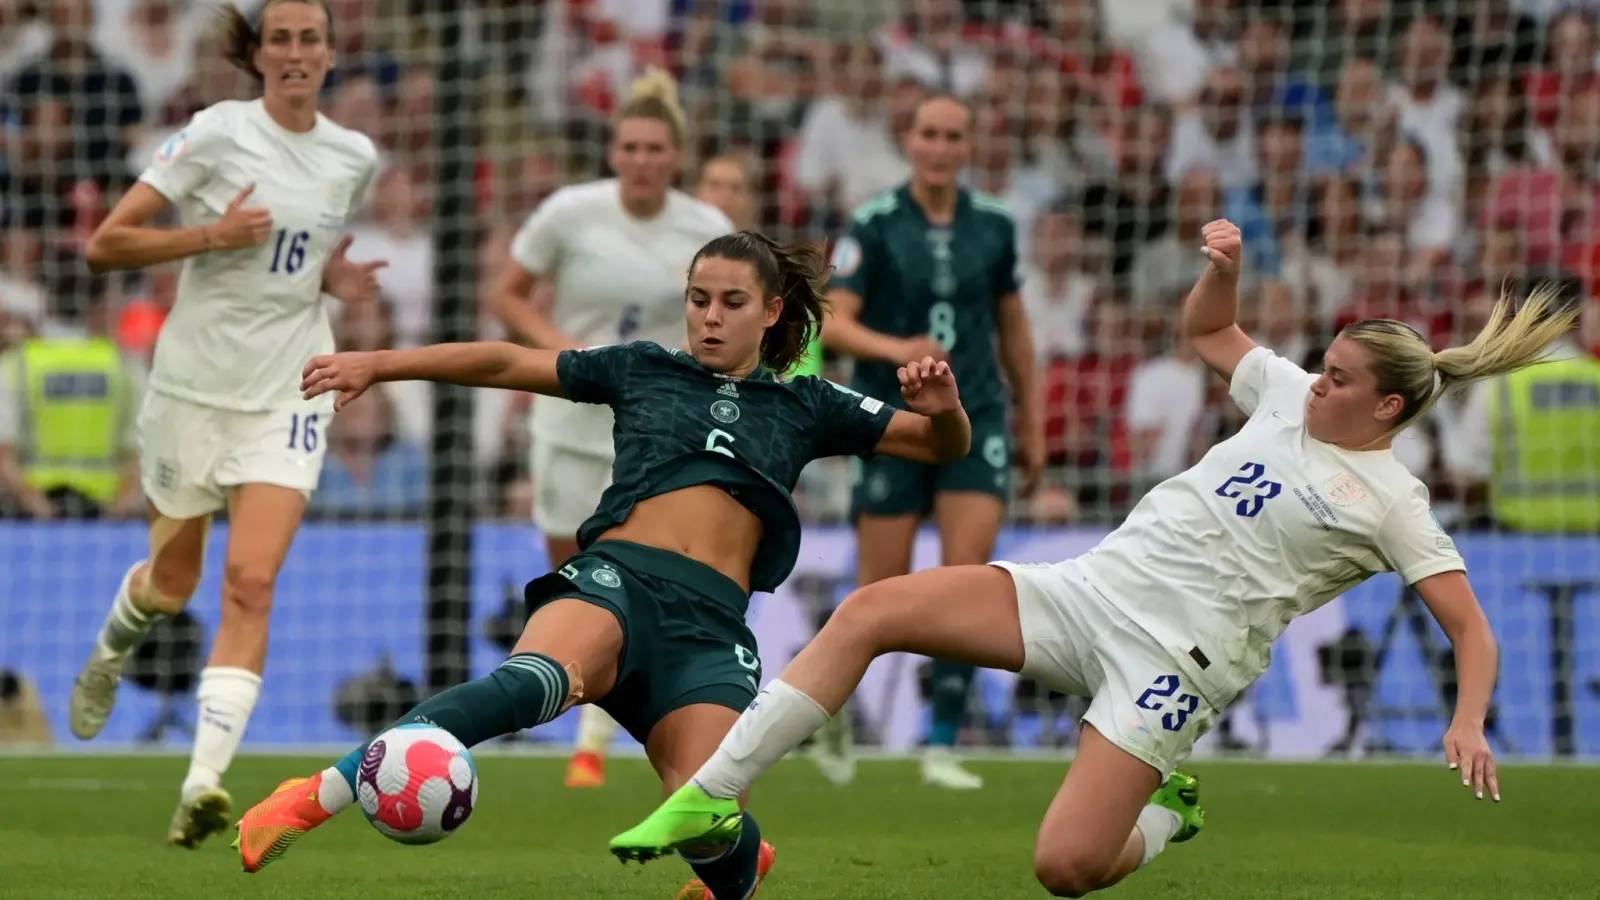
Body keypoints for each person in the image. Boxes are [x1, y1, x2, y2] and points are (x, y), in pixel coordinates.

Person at [611, 219, 1569, 895]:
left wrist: (1471, 719)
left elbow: (1470, 627)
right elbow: (1206, 329)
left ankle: (1163, 815)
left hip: (1172, 667)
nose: (1318, 379)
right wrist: (1224, 272)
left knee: (1065, 870)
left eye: (1342, 378)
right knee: (870, 612)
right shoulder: (1285, 394)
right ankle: (709, 801)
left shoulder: (1396, 504)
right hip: (1085, 593)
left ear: (1388, 409)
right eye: (1323, 364)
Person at [233, 231, 973, 900]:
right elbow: (508, 360)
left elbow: (942, 448)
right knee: (529, 684)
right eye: (698, 299)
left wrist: (945, 410)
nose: (710, 316)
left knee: (706, 816)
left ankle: (737, 874)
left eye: (732, 302)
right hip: (617, 582)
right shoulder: (643, 369)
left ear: (773, 311)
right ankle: (313, 796)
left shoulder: (809, 404)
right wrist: (382, 363)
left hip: (710, 631)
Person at [66, 0, 384, 849]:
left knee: (252, 583)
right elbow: (106, 244)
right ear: (257, 53)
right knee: (171, 587)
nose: (293, 52)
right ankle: (107, 654)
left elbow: (298, 262)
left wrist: (333, 284)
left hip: (289, 389)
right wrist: (210, 233)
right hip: (194, 390)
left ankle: (202, 784)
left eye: (308, 38)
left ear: (327, 53)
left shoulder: (354, 157)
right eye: (278, 38)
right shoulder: (216, 133)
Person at [492, 67, 734, 790]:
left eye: (655, 148)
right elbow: (506, 295)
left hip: (654, 432)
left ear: (676, 155)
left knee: (635, 575)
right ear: (612, 150)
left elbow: (725, 316)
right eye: (629, 146)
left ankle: (594, 741)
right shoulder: (570, 213)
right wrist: (560, 351)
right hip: (568, 422)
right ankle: (586, 707)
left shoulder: (705, 229)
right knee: (573, 577)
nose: (640, 160)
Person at [811, 91, 1044, 789]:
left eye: (954, 135)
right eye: (930, 134)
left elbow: (1014, 328)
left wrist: (1033, 418)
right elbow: (833, 324)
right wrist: (897, 345)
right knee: (877, 589)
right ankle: (831, 720)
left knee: (964, 579)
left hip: (978, 418)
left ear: (968, 146)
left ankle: (941, 742)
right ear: (908, 141)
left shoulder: (996, 225)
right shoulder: (875, 224)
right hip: (892, 421)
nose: (942, 146)